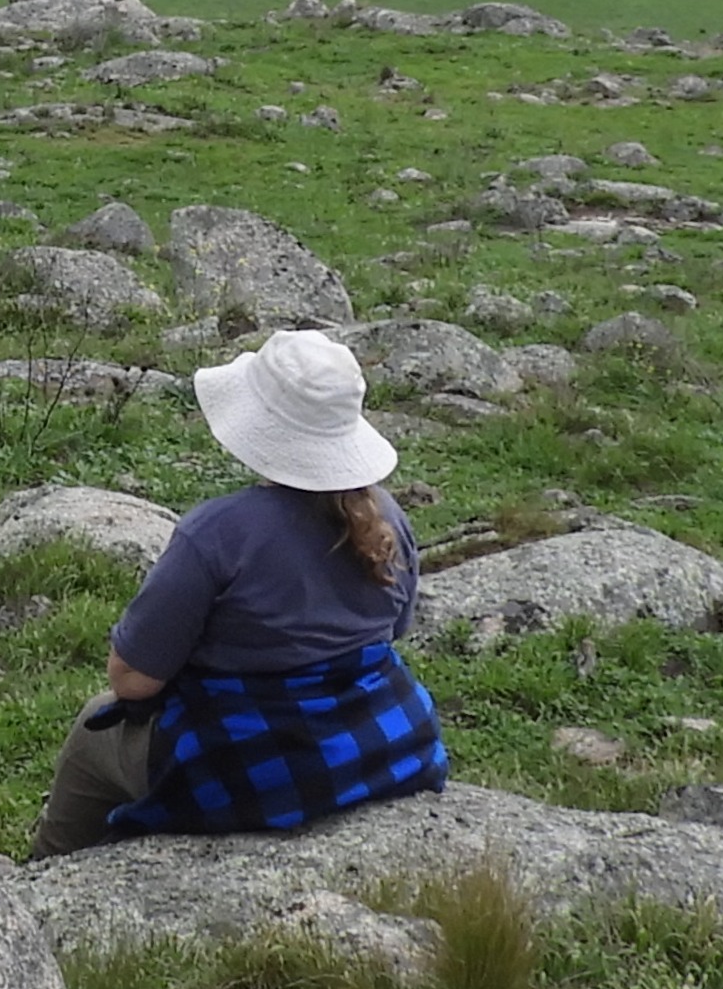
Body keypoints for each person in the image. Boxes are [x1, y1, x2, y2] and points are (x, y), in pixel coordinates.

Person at [28, 326, 443, 857]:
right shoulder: (388, 516)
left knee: (94, 731)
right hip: (379, 740)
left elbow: (132, 680)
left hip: (255, 759)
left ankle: (46, 872)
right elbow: (397, 629)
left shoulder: (217, 534)